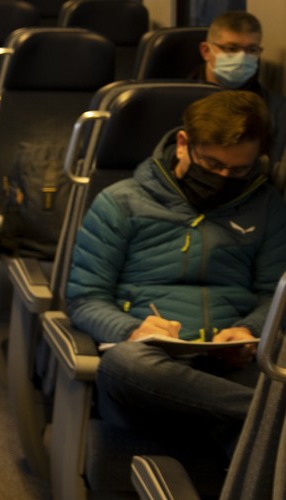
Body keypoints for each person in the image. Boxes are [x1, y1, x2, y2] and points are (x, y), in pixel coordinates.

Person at [65, 89, 286, 459]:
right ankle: (268, 415)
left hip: (231, 364)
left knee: (272, 378)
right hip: (153, 372)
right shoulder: (122, 202)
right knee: (126, 363)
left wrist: (250, 330)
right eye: (212, 164)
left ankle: (251, 439)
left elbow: (273, 295)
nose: (223, 177)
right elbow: (84, 299)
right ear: (183, 144)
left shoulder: (266, 207)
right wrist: (131, 330)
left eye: (238, 170)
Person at [190, 11, 286, 188]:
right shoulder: (175, 99)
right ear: (206, 51)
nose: (242, 58)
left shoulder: (276, 110)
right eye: (231, 49)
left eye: (251, 50)